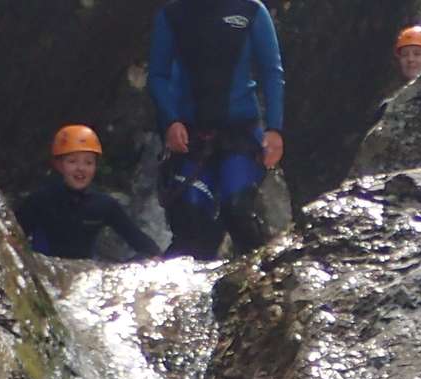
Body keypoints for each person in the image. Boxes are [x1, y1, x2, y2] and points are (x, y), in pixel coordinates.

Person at [147, 0, 286, 260]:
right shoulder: (172, 14)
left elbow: (271, 71)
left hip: (240, 136)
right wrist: (170, 121)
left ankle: (265, 286)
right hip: (191, 140)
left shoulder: (250, 10)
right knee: (190, 224)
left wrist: (275, 129)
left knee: (238, 211)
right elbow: (158, 75)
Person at [16, 125, 161, 261]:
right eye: (72, 161)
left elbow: (139, 240)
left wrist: (158, 259)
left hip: (83, 278)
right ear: (59, 165)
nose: (81, 168)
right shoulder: (40, 200)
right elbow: (11, 239)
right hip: (44, 276)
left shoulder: (103, 204)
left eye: (88, 163)